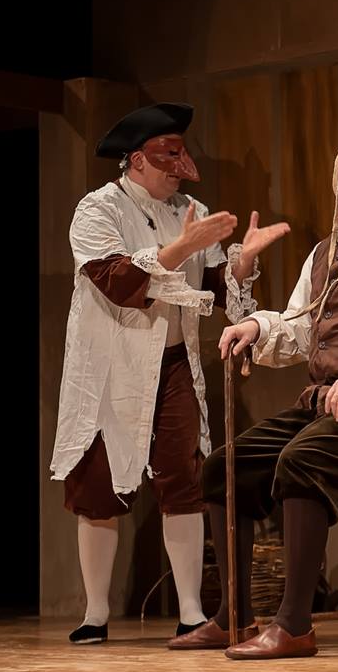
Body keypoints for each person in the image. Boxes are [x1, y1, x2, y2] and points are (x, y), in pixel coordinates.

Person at [169, 141, 338, 659]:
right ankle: (235, 617)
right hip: (327, 398)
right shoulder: (324, 254)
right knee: (224, 467)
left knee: (301, 458)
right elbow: (300, 327)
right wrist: (258, 326)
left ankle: (295, 625)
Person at [48, 102, 289, 644]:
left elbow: (221, 287)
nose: (179, 171)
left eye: (182, 157)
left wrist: (243, 262)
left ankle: (190, 610)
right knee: (99, 484)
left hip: (175, 365)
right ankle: (95, 613)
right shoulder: (98, 210)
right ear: (137, 160)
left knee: (183, 479)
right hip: (111, 369)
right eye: (167, 159)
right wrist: (183, 247)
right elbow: (117, 281)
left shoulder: (191, 210)